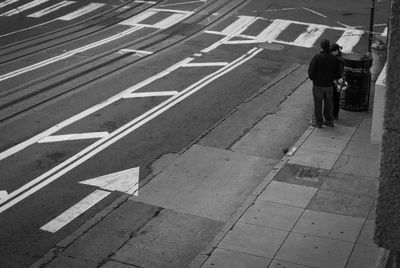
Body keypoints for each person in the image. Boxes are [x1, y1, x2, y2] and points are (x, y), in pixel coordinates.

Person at [308, 39, 341, 128]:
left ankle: (318, 122)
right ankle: (329, 120)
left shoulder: (317, 57)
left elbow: (311, 71)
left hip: (318, 85)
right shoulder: (334, 58)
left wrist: (313, 79)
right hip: (329, 85)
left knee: (318, 104)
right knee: (329, 103)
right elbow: (338, 72)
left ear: (321, 46)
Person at [330, 43, 345, 120]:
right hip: (338, 80)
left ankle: (334, 115)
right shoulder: (338, 57)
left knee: (335, 98)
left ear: (336, 51)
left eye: (332, 51)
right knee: (335, 98)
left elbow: (338, 72)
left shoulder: (338, 60)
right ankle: (334, 114)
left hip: (337, 80)